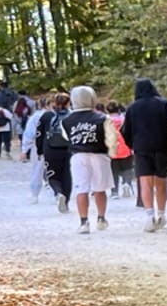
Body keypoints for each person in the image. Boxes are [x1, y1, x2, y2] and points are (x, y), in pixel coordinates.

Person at [123, 78, 167, 231]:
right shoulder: (165, 103)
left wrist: (132, 144)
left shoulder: (132, 108)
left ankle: (150, 216)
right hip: (162, 145)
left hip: (141, 147)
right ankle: (162, 215)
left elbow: (124, 130)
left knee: (145, 182)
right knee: (161, 180)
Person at [66, 85, 113, 233]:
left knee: (81, 189)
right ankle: (101, 218)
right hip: (99, 155)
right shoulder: (102, 118)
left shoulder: (67, 120)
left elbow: (66, 138)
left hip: (78, 156)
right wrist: (112, 153)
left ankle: (84, 222)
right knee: (100, 189)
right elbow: (111, 138)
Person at [38, 93, 73, 213]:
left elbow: (39, 134)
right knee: (66, 175)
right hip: (68, 149)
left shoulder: (47, 116)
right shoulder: (72, 116)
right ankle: (66, 202)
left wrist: (39, 150)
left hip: (51, 149)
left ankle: (58, 193)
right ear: (69, 103)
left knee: (53, 175)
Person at [24, 96, 52, 201]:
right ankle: (55, 193)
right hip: (54, 146)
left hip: (38, 145)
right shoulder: (55, 115)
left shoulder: (35, 117)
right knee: (53, 169)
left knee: (37, 170)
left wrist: (25, 149)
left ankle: (34, 194)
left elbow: (29, 134)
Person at [107, 102, 134, 199]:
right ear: (119, 109)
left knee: (113, 171)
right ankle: (126, 183)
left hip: (112, 149)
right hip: (126, 147)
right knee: (127, 169)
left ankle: (114, 192)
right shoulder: (125, 119)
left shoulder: (105, 120)